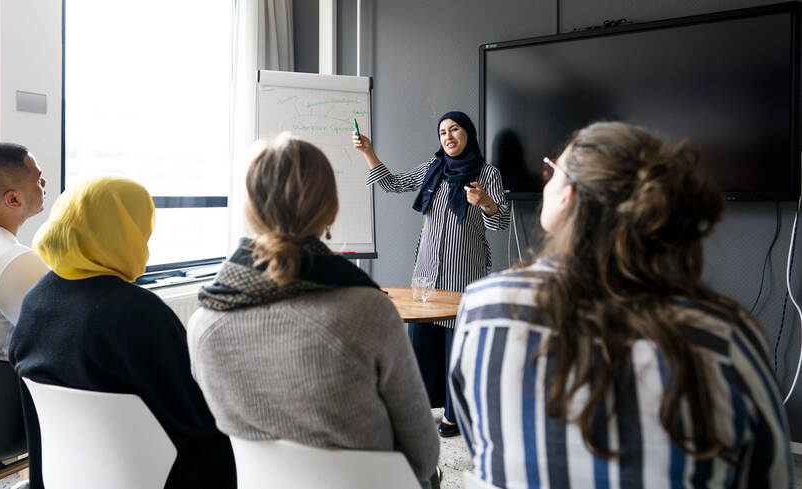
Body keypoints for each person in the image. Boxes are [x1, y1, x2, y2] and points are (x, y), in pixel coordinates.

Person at [449, 122, 793, 488]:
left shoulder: (484, 308)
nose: (545, 178)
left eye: (551, 171)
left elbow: (481, 443)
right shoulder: (724, 338)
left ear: (567, 196)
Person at [188, 134, 440, 488]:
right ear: (331, 209)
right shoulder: (368, 311)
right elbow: (425, 456)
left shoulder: (203, 324)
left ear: (248, 208)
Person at [9, 177, 236, 489]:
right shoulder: (136, 312)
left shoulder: (38, 298)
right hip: (160, 475)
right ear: (123, 231)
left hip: (65, 473)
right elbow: (191, 417)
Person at [353, 111, 510, 437]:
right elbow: (393, 184)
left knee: (458, 349)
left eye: (454, 129)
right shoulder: (432, 168)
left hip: (464, 276)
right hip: (426, 275)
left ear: (468, 133)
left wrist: (484, 202)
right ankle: (424, 411)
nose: (448, 136)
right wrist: (368, 152)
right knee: (422, 347)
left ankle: (454, 417)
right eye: (442, 132)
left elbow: (500, 221)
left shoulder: (486, 172)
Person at [0, 141, 48, 361]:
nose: (44, 182)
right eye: (37, 178)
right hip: (4, 390)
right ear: (13, 199)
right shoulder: (14, 260)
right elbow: (62, 338)